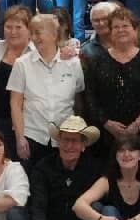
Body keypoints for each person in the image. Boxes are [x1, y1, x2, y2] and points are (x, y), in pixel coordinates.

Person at [29, 115, 106, 220]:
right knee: (16, 214)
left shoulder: (95, 168)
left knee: (98, 209)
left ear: (83, 145)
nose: (69, 146)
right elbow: (38, 204)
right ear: (58, 142)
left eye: (75, 141)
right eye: (65, 140)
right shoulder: (43, 167)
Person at [82, 6, 140, 164]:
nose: (121, 30)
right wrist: (107, 123)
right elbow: (90, 97)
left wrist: (137, 125)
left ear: (135, 30)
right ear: (110, 32)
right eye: (116, 27)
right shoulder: (97, 61)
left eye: (125, 26)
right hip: (108, 134)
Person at [9, 13, 86, 166]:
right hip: (32, 136)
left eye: (38, 32)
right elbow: (15, 104)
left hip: (64, 138)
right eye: (32, 33)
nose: (34, 38)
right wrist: (20, 138)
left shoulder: (73, 63)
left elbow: (79, 101)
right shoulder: (22, 64)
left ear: (54, 34)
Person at [0, 6, 33, 158]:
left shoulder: (37, 52)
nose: (13, 32)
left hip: (28, 123)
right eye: (8, 27)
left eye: (18, 27)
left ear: (29, 29)